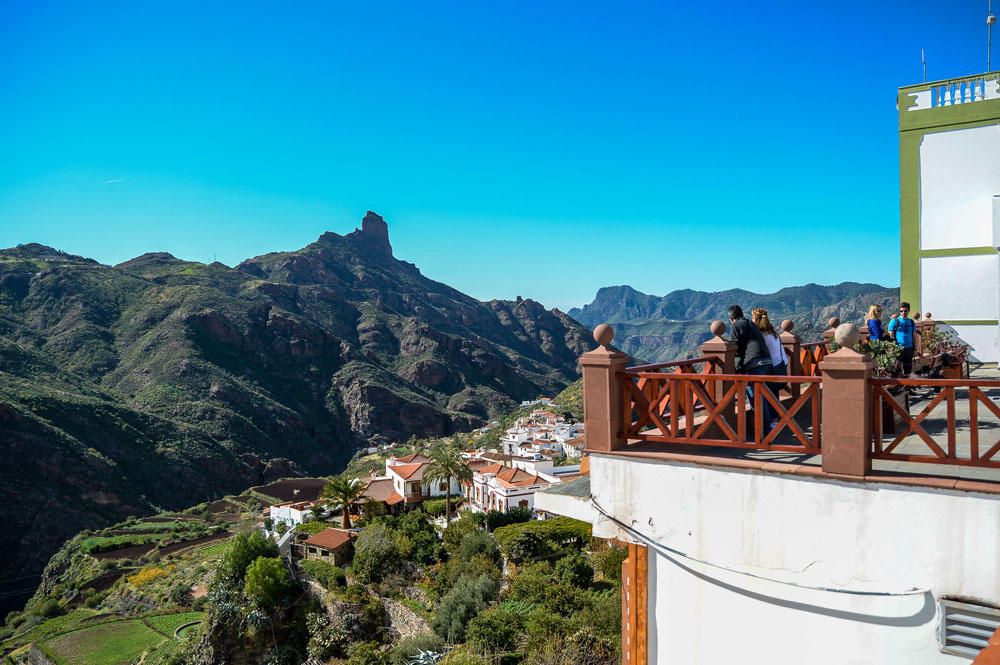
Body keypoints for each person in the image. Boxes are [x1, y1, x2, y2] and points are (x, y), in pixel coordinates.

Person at [728, 305, 773, 435]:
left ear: (731, 318)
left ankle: (764, 431)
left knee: (756, 397)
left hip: (754, 363)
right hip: (766, 361)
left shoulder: (736, 326)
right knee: (762, 396)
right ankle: (767, 427)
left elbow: (735, 348)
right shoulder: (751, 324)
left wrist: (736, 369)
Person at [752, 307, 787, 432]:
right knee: (773, 393)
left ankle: (771, 424)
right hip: (782, 366)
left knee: (766, 394)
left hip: (773, 368)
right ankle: (776, 420)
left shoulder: (761, 336)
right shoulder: (773, 333)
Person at [888, 301, 916, 374]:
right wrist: (892, 348)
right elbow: (891, 335)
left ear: (909, 311)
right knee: (896, 368)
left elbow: (914, 336)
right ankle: (896, 384)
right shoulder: (894, 321)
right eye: (901, 311)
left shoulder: (911, 322)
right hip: (898, 348)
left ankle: (907, 384)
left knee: (908, 368)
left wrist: (915, 348)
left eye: (905, 311)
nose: (903, 312)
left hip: (909, 348)